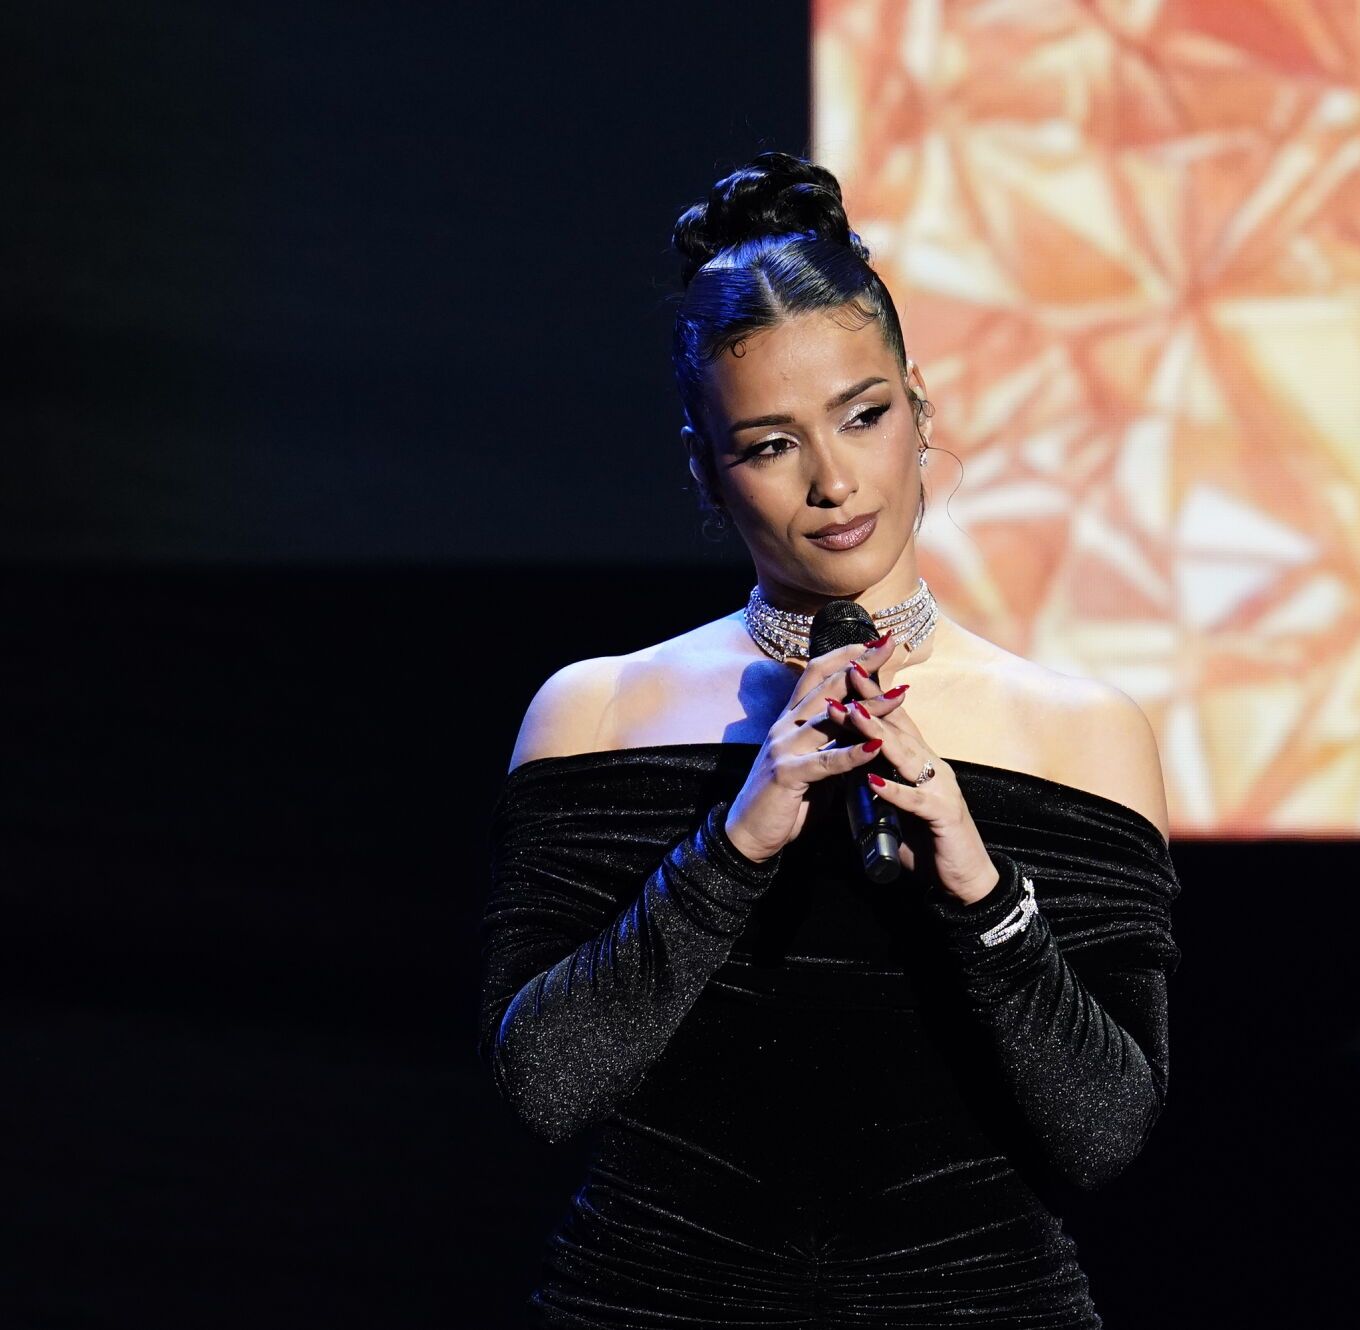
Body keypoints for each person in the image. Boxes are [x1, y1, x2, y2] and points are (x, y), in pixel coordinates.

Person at [477, 150, 1182, 1328]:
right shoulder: (598, 711)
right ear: (705, 466)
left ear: (919, 407)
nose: (832, 478)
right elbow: (542, 1089)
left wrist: (974, 879)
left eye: (861, 415)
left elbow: (1102, 1131)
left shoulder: (1078, 731)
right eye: (768, 443)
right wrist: (736, 841)